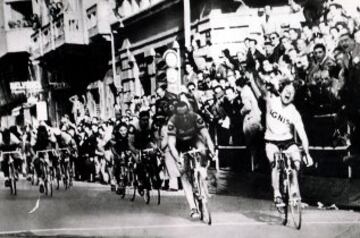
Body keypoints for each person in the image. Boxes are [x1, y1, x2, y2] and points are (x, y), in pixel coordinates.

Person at [253, 78, 314, 207]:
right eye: (286, 91)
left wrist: (307, 154)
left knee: (297, 161)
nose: (288, 94)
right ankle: (277, 193)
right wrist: (262, 81)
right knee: (274, 163)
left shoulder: (293, 111)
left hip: (287, 140)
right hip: (271, 140)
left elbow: (303, 134)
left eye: (292, 93)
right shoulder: (271, 101)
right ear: (280, 92)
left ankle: (294, 192)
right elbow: (262, 90)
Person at [167, 101, 216, 219]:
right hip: (180, 144)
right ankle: (193, 207)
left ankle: (202, 173)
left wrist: (211, 149)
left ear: (188, 110)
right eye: (181, 114)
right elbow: (171, 143)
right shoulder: (172, 121)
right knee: (184, 174)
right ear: (176, 114)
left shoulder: (195, 116)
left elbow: (206, 135)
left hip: (194, 139)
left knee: (203, 150)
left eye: (185, 113)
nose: (184, 116)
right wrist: (177, 158)